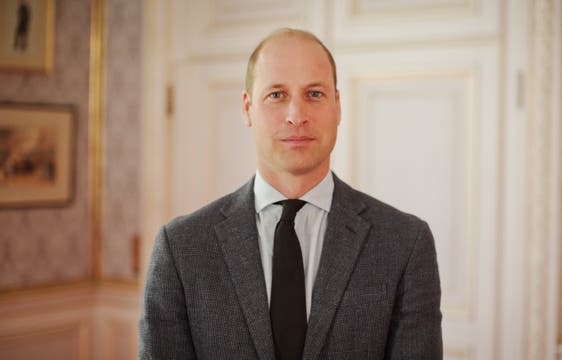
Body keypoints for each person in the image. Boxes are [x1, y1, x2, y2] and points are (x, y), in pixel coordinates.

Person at [139, 28, 442, 359]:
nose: (297, 116)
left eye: (314, 94)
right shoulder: (180, 248)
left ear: (337, 106)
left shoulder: (405, 243)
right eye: (276, 95)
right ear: (247, 108)